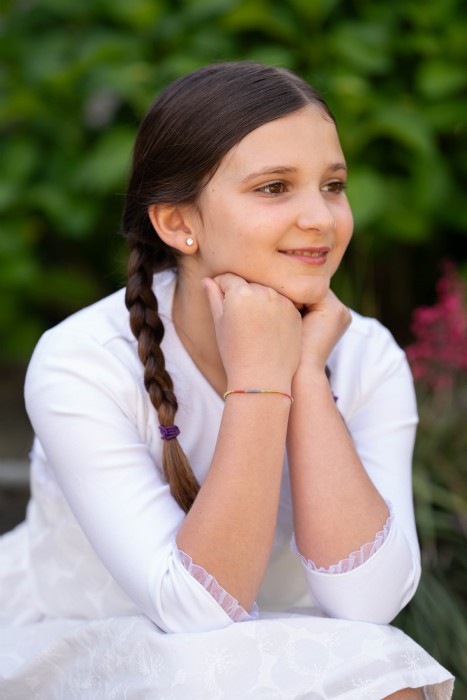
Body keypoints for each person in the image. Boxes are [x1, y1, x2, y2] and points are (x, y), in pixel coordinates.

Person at [0, 62, 454, 699]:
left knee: (382, 674)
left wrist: (305, 373)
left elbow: (370, 602)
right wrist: (261, 380)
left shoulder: (365, 355)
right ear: (177, 223)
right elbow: (196, 610)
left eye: (332, 185)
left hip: (286, 647)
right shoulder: (82, 361)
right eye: (274, 187)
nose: (321, 218)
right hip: (92, 639)